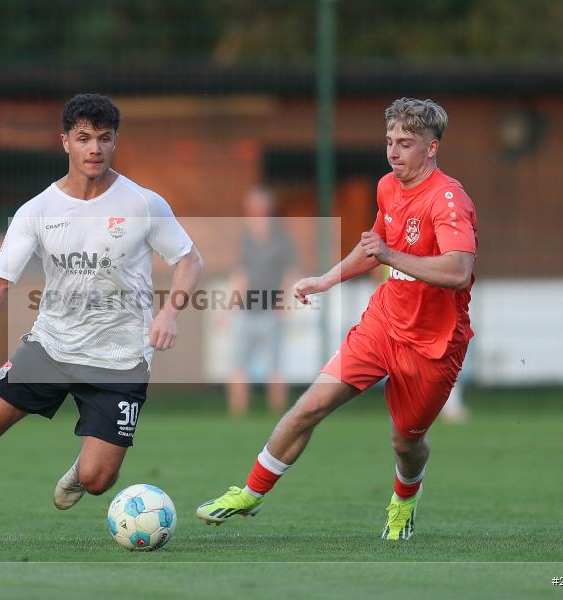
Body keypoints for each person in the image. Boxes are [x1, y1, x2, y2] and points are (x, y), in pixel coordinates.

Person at [0, 93, 202, 547]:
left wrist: (170, 313)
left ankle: (82, 469)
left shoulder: (142, 203)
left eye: (103, 138)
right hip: (51, 347)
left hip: (120, 358)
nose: (94, 148)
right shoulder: (37, 211)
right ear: (65, 142)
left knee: (98, 481)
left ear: (115, 142)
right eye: (83, 138)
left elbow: (189, 260)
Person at [196, 98, 477, 541]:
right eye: (389, 142)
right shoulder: (387, 187)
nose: (394, 152)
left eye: (405, 143)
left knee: (406, 443)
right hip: (382, 326)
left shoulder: (448, 199)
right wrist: (327, 279)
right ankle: (250, 493)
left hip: (433, 345)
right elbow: (374, 246)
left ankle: (404, 500)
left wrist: (389, 254)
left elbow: (458, 271)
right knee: (310, 405)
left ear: (432, 147)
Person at [227, 186, 298, 417]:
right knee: (238, 366)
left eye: (259, 207)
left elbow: (290, 273)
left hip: (271, 311)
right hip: (245, 311)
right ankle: (237, 416)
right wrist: (229, 308)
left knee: (275, 367)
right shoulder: (244, 239)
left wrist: (282, 302)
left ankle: (279, 416)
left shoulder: (282, 238)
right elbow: (240, 274)